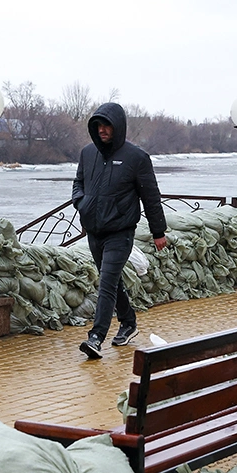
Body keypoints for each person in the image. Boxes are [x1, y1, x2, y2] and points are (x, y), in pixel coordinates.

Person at [71, 102, 168, 359]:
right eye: (98, 126)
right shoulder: (88, 153)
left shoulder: (136, 158)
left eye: (107, 126)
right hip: (94, 231)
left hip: (120, 232)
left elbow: (151, 197)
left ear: (118, 127)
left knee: (106, 281)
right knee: (112, 281)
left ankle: (96, 337)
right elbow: (78, 182)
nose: (102, 130)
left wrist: (158, 231)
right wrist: (81, 202)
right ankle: (129, 322)